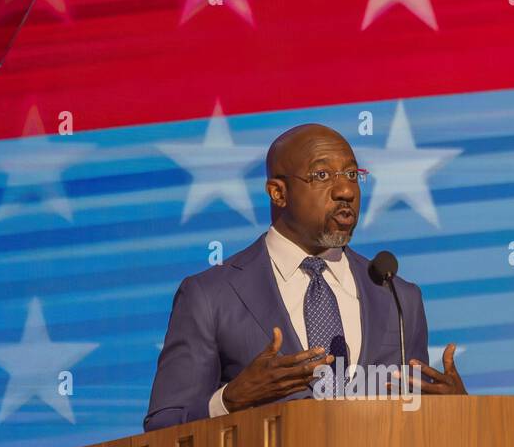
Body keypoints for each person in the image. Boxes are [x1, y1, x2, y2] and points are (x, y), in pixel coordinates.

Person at [143, 123, 466, 431]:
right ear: (278, 193)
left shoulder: (397, 295)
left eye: (352, 175)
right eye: (322, 175)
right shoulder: (210, 295)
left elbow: (415, 423)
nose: (345, 190)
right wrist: (230, 401)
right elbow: (163, 426)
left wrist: (455, 409)